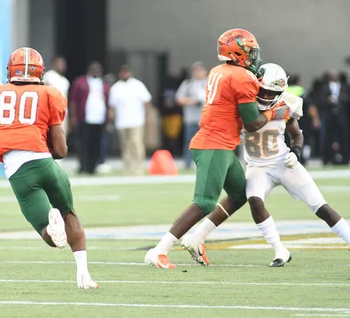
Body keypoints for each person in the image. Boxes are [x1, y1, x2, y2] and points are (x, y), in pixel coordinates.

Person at [145, 28, 292, 269]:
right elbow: (253, 123)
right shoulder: (242, 77)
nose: (255, 57)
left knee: (239, 194)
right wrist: (274, 111)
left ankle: (196, 239)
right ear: (237, 53)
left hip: (220, 142)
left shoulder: (218, 71)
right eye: (250, 52)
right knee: (204, 203)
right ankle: (159, 250)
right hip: (215, 144)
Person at [182, 63, 350, 267]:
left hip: (284, 163)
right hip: (257, 167)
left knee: (320, 206)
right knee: (254, 201)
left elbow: (296, 134)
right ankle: (280, 250)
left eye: (273, 93)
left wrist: (296, 153)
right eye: (265, 92)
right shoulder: (243, 105)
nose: (268, 97)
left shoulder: (286, 104)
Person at [0, 47, 98, 289]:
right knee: (70, 214)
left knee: (51, 236)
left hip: (20, 171)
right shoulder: (50, 93)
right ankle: (84, 275)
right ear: (41, 71)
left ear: (9, 71)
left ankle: (51, 226)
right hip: (47, 164)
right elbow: (61, 150)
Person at [108, 65, 152, 176]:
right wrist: (111, 119)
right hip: (122, 121)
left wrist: (147, 116)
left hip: (136, 120)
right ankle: (127, 169)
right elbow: (112, 106)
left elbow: (146, 102)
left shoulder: (138, 85)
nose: (125, 74)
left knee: (136, 143)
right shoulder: (116, 87)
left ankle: (138, 168)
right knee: (125, 145)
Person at [69, 62, 110, 175]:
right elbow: (74, 101)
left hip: (99, 119)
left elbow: (108, 101)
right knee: (83, 144)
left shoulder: (104, 84)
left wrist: (108, 119)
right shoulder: (81, 82)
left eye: (98, 70)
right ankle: (83, 166)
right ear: (90, 71)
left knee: (96, 144)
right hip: (85, 118)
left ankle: (93, 167)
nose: (96, 72)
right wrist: (73, 116)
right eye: (94, 70)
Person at [176, 62, 208, 169]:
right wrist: (192, 101)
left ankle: (204, 162)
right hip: (191, 118)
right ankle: (188, 163)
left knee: (206, 142)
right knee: (189, 141)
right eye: (196, 70)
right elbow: (179, 99)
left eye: (200, 70)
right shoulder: (188, 83)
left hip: (206, 118)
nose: (198, 73)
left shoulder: (210, 83)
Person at [43, 55, 70, 135]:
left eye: (63, 64)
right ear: (54, 64)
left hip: (63, 113)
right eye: (59, 63)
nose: (62, 65)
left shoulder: (65, 81)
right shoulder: (48, 76)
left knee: (62, 136)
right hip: (51, 111)